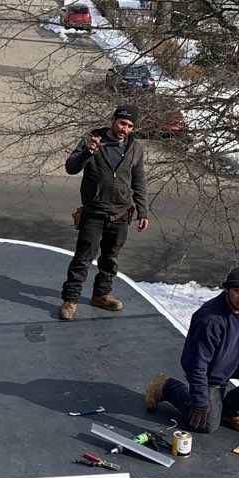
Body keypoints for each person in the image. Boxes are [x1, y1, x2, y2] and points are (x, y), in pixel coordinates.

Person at [145, 265, 239, 435]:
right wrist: (200, 401)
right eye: (237, 290)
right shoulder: (210, 320)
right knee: (205, 424)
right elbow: (195, 364)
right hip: (211, 373)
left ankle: (230, 411)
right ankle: (166, 387)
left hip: (235, 359)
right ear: (227, 290)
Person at [58, 103, 150, 320]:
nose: (124, 129)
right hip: (94, 211)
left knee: (110, 258)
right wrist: (89, 152)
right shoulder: (92, 140)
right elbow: (71, 168)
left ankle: (101, 295)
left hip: (120, 213)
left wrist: (143, 211)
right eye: (121, 123)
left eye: (129, 126)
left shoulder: (135, 148)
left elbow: (139, 180)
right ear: (113, 120)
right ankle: (70, 300)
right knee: (83, 258)